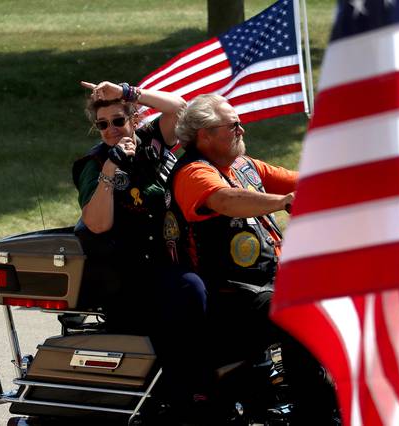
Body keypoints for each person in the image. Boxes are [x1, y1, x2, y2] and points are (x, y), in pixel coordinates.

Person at [172, 94, 337, 423]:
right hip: (233, 295)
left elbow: (306, 181)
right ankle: (317, 416)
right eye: (233, 126)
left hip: (268, 283)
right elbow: (226, 200)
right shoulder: (193, 173)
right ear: (205, 135)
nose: (242, 130)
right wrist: (283, 201)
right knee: (302, 315)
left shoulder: (244, 166)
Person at [71, 81, 213, 417]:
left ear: (135, 120)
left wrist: (127, 91)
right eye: (103, 124)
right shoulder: (94, 163)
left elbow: (180, 107)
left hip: (173, 259)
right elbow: (97, 223)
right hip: (130, 274)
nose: (111, 130)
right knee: (189, 292)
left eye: (118, 121)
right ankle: (188, 400)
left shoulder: (152, 139)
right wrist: (110, 169)